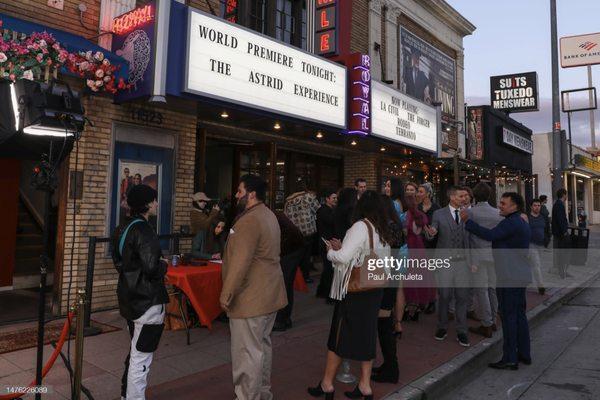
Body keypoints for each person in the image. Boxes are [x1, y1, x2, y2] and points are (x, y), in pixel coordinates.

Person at [308, 191, 392, 400]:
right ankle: (365, 386)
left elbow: (344, 257)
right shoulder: (381, 228)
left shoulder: (360, 226)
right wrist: (343, 249)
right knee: (367, 335)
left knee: (338, 336)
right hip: (375, 289)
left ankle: (327, 384)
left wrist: (331, 252)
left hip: (356, 290)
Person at [220, 174, 287, 400]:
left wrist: (226, 295)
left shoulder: (249, 220)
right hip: (270, 294)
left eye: (239, 191)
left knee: (247, 353)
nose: (236, 196)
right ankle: (262, 393)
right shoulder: (268, 215)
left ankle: (248, 396)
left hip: (251, 298)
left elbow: (240, 263)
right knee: (262, 347)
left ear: (251, 194)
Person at [461, 192, 532, 370]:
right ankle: (524, 353)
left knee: (508, 318)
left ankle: (510, 358)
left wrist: (467, 222)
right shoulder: (519, 221)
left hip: (509, 276)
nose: (499, 206)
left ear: (514, 206)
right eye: (500, 202)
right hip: (518, 275)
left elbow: (490, 235)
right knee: (519, 315)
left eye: (503, 203)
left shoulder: (511, 223)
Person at [111, 184, 168, 400]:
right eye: (153, 200)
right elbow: (152, 267)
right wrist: (164, 264)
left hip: (129, 299)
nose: (155, 204)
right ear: (146, 204)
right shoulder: (144, 229)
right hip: (148, 302)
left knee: (135, 351)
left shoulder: (121, 228)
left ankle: (127, 395)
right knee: (141, 358)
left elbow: (118, 262)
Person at [424, 186, 471, 347]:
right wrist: (431, 233)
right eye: (460, 196)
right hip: (444, 262)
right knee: (444, 296)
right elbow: (432, 231)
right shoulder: (439, 214)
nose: (463, 199)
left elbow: (471, 238)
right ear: (452, 197)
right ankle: (442, 327)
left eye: (464, 196)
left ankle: (462, 331)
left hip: (463, 263)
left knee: (462, 298)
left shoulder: (467, 214)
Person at [371, 194, 405, 384]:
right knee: (384, 323)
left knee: (384, 325)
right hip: (392, 274)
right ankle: (389, 365)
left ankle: (392, 369)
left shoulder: (386, 226)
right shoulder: (395, 224)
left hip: (386, 276)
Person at [466, 183, 502, 338]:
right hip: (493, 255)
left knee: (481, 290)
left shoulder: (470, 213)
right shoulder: (497, 213)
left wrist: (469, 259)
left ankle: (486, 323)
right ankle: (493, 320)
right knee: (492, 289)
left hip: (477, 255)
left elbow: (467, 237)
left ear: (474, 196)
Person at [403, 193, 436, 321]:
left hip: (408, 247)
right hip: (419, 246)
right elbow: (426, 231)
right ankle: (415, 308)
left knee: (407, 278)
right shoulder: (421, 215)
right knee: (418, 278)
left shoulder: (405, 216)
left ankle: (406, 308)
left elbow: (404, 232)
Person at [273, 211, 305, 331]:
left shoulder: (269, 216)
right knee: (285, 284)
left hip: (291, 249)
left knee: (284, 284)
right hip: (292, 248)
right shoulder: (272, 214)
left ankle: (281, 320)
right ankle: (284, 318)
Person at [284, 180, 321, 283]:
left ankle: (293, 276)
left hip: (294, 231)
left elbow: (286, 215)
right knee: (306, 255)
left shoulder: (288, 200)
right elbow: (318, 209)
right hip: (307, 230)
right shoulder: (308, 197)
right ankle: (305, 276)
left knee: (295, 254)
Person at [417, 183, 440, 314]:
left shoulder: (436, 209)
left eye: (420, 192)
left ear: (427, 193)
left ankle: (432, 301)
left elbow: (439, 227)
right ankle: (421, 300)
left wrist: (432, 231)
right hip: (418, 244)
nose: (418, 194)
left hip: (432, 246)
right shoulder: (417, 208)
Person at [317, 189, 338, 299]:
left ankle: (322, 291)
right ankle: (327, 293)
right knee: (328, 269)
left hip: (330, 242)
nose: (336, 200)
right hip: (325, 243)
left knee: (328, 269)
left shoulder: (331, 210)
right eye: (333, 198)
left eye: (336, 198)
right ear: (327, 199)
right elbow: (331, 222)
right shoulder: (323, 210)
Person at [528, 199, 547, 295]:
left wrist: (546, 241)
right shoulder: (528, 218)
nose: (537, 207)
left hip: (541, 244)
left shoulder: (542, 217)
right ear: (531, 207)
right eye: (535, 205)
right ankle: (541, 286)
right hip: (531, 244)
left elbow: (547, 229)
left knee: (535, 264)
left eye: (539, 205)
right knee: (536, 264)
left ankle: (527, 280)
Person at [552, 188, 570, 278]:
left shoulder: (558, 204)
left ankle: (562, 271)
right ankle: (562, 272)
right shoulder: (559, 205)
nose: (567, 196)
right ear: (563, 195)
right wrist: (564, 231)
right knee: (562, 253)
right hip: (560, 234)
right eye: (566, 194)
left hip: (559, 233)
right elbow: (560, 219)